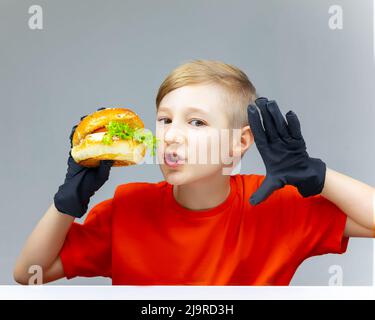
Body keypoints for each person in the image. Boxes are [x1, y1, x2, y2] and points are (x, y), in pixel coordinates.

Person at [13, 60, 374, 285]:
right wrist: (66, 202)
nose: (171, 134)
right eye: (165, 119)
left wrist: (317, 175)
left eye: (197, 122)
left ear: (239, 142)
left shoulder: (273, 204)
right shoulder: (129, 207)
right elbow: (30, 274)